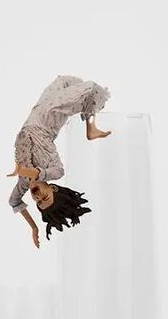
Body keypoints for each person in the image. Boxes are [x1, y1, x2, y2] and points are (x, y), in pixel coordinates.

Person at [7, 75, 112, 247]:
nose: (38, 198)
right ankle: (91, 128)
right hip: (51, 115)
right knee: (91, 88)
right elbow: (40, 173)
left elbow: (14, 202)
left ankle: (90, 125)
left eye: (38, 202)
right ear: (53, 188)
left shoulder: (23, 184)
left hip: (38, 111)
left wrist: (34, 227)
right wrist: (23, 171)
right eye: (45, 197)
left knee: (66, 82)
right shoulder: (55, 171)